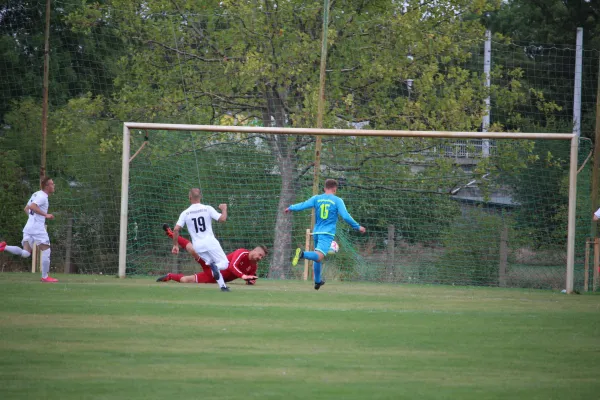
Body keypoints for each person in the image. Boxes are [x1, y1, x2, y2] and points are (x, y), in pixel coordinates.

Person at [285, 178, 366, 290]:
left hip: (317, 232)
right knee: (319, 255)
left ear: (324, 188)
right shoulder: (337, 200)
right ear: (334, 189)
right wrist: (357, 226)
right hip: (326, 233)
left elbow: (303, 205)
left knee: (317, 258)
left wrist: (291, 208)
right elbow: (346, 216)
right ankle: (302, 254)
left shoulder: (316, 198)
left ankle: (318, 281)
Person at [157, 224, 266, 284]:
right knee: (192, 249)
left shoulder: (253, 266)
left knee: (185, 280)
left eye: (262, 257)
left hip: (213, 278)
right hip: (212, 264)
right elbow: (232, 266)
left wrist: (250, 281)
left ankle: (170, 276)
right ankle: (171, 234)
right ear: (254, 250)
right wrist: (244, 276)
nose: (260, 258)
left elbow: (251, 279)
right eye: (260, 255)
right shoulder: (242, 252)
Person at [170, 188, 232, 291]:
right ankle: (216, 269)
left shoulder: (185, 213)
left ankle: (223, 287)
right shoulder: (207, 208)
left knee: (212, 264)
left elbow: (176, 229)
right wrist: (224, 209)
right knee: (224, 264)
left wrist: (175, 245)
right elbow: (222, 219)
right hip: (210, 242)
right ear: (200, 197)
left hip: (198, 246)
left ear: (189, 198)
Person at [0, 177, 58, 282]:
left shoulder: (36, 194)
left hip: (29, 226)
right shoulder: (42, 197)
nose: (54, 186)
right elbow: (32, 206)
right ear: (46, 186)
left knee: (26, 253)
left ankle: (5, 247)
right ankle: (45, 277)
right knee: (46, 250)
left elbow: (26, 208)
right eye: (52, 184)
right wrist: (46, 215)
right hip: (37, 228)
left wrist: (32, 219)